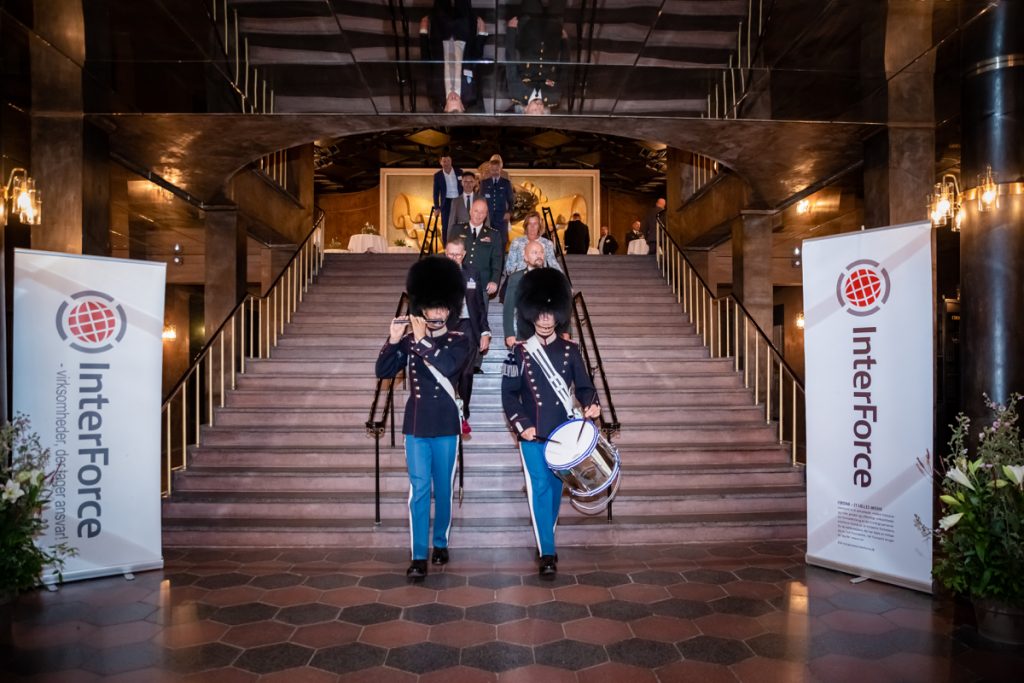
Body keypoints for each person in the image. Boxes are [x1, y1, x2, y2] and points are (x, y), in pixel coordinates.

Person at [376, 256, 471, 580]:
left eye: (442, 308)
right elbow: (384, 371)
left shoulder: (460, 340)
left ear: (450, 307)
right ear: (423, 306)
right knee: (419, 489)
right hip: (416, 424)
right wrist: (392, 340)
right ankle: (418, 554)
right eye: (431, 308)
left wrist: (420, 340)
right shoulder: (409, 338)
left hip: (445, 424)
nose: (436, 314)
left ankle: (441, 542)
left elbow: (447, 367)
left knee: (442, 488)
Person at [502, 267, 600, 578]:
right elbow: (508, 395)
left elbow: (584, 385)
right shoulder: (518, 353)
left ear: (558, 315)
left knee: (556, 491)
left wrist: (591, 403)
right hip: (532, 433)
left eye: (550, 314)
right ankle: (548, 551)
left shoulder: (571, 350)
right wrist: (522, 423)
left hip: (563, 434)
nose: (545, 320)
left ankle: (546, 535)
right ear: (531, 314)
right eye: (540, 314)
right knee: (539, 488)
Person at [444, 237, 490, 416]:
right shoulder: (436, 274)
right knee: (447, 370)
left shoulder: (472, 272)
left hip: (469, 326)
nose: (454, 258)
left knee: (466, 372)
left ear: (463, 255)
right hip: (445, 327)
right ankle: (448, 408)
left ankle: (463, 408)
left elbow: (479, 304)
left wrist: (485, 331)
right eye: (450, 254)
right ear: (445, 254)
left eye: (457, 254)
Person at [419, 0, 488, 113]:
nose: (453, 96)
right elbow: (476, 64)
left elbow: (426, 63)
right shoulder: (471, 94)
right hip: (464, 36)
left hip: (440, 36)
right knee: (464, 5)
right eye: (456, 99)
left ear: (445, 107)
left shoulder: (435, 93)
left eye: (450, 99)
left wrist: (423, 33)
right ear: (463, 106)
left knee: (441, 5)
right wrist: (482, 35)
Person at [505, 1, 570, 115]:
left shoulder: (516, 93)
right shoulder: (554, 97)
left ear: (525, 109)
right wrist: (565, 43)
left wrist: (511, 32)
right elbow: (564, 70)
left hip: (529, 34)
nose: (539, 107)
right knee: (558, 5)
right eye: (541, 111)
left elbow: (510, 63)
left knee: (532, 4)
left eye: (534, 110)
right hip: (552, 37)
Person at [450, 198, 503, 312]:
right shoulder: (457, 230)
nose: (479, 215)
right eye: (476, 211)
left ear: (486, 215)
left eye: (482, 212)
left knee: (480, 321)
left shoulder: (494, 234)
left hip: (482, 284)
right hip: (459, 283)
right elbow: (449, 255)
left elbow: (497, 260)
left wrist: (494, 280)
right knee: (456, 320)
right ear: (470, 211)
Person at [503, 240, 547, 347]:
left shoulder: (554, 277)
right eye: (534, 252)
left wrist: (566, 331)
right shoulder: (516, 278)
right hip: (525, 333)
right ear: (525, 257)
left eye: (541, 252)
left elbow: (562, 306)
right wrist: (509, 333)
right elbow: (508, 307)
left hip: (550, 334)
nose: (539, 255)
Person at [479, 159, 516, 247]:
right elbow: (480, 200)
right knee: (487, 243)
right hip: (487, 219)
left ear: (500, 169)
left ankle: (501, 261)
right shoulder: (484, 183)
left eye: (497, 170)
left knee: (502, 242)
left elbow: (511, 200)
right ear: (489, 169)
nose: (495, 172)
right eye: (492, 170)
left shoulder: (506, 183)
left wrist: (509, 212)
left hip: (502, 219)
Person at [432, 155, 463, 243]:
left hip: (459, 201)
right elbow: (435, 193)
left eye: (448, 161)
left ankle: (460, 246)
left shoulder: (459, 172)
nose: (446, 163)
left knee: (460, 224)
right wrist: (437, 207)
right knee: (446, 225)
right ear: (441, 163)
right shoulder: (438, 175)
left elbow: (464, 186)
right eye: (444, 161)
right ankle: (447, 247)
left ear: (451, 161)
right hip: (446, 202)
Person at [447, 170, 480, 241]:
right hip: (460, 238)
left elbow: (486, 221)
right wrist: (449, 241)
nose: (468, 184)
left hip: (477, 237)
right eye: (465, 181)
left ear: (474, 183)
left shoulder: (481, 200)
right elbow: (451, 222)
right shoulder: (455, 201)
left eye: (471, 181)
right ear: (461, 183)